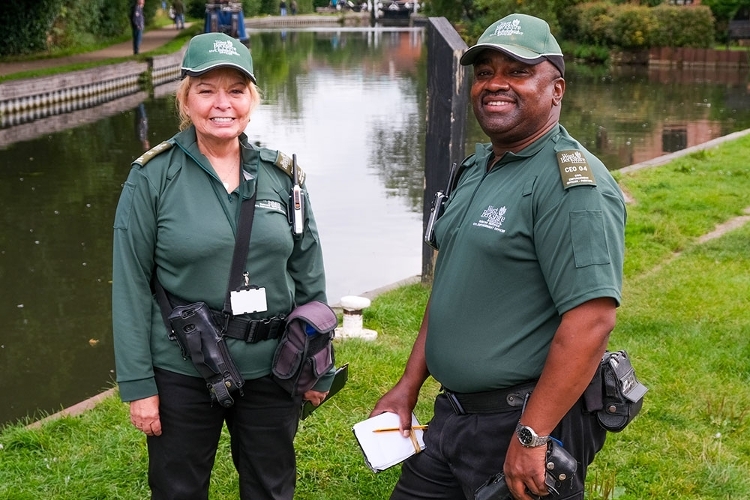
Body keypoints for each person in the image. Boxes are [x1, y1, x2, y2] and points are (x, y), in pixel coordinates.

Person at [370, 13, 626, 500]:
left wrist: (532, 436)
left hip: (520, 420)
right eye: (484, 72)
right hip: (453, 418)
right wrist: (408, 385)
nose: (495, 84)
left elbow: (592, 321)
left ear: (557, 90)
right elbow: (453, 285)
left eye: (518, 71)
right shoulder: (477, 167)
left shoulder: (569, 183)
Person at [112, 32, 333, 500]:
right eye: (206, 89)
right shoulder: (152, 177)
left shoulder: (282, 176)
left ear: (251, 99)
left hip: (275, 366)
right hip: (184, 368)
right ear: (185, 99)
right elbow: (130, 285)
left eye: (235, 90)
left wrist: (318, 365)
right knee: (178, 489)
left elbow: (309, 275)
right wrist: (138, 385)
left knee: (271, 488)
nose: (222, 103)